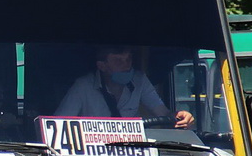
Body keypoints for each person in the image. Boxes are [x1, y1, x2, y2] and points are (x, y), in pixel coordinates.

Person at [56, 46, 194, 128]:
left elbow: (163, 114)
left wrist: (180, 118)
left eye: (128, 59)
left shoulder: (139, 80)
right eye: (118, 61)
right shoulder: (83, 86)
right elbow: (58, 124)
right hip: (95, 155)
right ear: (102, 66)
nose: (126, 65)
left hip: (131, 153)